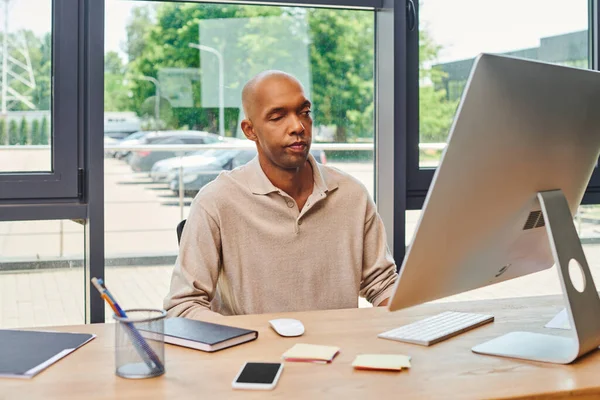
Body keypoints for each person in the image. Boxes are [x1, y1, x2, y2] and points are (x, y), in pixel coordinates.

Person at [164, 70, 397, 320]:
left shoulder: (352, 194)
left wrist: (414, 319)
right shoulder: (216, 201)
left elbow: (383, 285)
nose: (298, 126)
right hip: (254, 353)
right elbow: (184, 306)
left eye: (304, 113)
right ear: (250, 130)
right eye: (277, 117)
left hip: (338, 353)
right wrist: (242, 340)